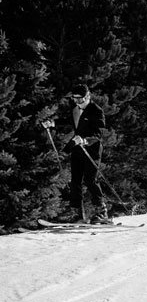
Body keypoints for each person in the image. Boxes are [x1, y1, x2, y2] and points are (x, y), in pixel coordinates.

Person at [42, 84, 109, 223]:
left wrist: (85, 140)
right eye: (75, 99)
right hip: (77, 148)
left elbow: (99, 133)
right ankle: (77, 213)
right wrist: (52, 123)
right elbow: (68, 121)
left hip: (91, 148)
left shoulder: (96, 110)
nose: (77, 102)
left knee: (91, 179)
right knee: (75, 181)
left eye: (80, 99)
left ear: (88, 96)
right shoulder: (75, 110)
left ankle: (102, 212)